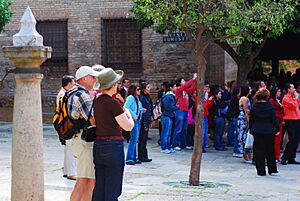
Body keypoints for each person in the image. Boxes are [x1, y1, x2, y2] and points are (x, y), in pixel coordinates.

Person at [92, 67, 134, 201]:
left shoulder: (97, 100)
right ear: (113, 85)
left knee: (100, 187)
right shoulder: (112, 103)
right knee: (113, 188)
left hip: (99, 145)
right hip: (112, 146)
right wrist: (128, 114)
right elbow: (128, 126)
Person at [68, 66, 100, 201]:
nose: (95, 79)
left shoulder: (74, 92)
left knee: (86, 179)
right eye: (93, 77)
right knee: (86, 180)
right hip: (84, 141)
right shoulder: (82, 95)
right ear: (84, 78)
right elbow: (93, 119)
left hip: (78, 139)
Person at [250, 88, 280, 176]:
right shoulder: (270, 106)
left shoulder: (254, 106)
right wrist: (277, 129)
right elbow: (274, 119)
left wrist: (251, 129)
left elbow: (251, 119)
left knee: (259, 150)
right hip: (268, 130)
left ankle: (261, 170)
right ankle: (272, 169)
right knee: (270, 150)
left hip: (257, 129)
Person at [56, 75, 77, 180]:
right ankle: (71, 172)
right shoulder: (63, 95)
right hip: (65, 124)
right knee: (70, 148)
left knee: (68, 148)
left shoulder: (63, 93)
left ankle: (66, 170)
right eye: (73, 82)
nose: (74, 84)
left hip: (64, 124)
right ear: (69, 84)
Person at [172, 73, 197, 151]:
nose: (185, 81)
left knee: (184, 129)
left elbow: (191, 90)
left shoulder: (185, 91)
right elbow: (185, 86)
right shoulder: (179, 90)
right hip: (180, 111)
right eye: (183, 81)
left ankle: (183, 144)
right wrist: (193, 79)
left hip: (185, 111)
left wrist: (196, 82)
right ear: (180, 82)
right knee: (178, 128)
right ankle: (175, 144)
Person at [281, 83, 300, 165]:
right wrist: (296, 97)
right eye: (292, 88)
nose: (294, 89)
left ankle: (291, 158)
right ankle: (284, 157)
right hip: (290, 120)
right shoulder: (286, 98)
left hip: (297, 119)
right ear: (288, 89)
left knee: (296, 140)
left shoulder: (293, 98)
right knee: (292, 140)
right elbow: (294, 105)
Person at [125, 85, 143, 165]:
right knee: (133, 139)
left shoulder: (137, 98)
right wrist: (134, 115)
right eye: (138, 89)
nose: (139, 91)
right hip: (134, 120)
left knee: (135, 139)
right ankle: (129, 158)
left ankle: (134, 157)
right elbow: (126, 107)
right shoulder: (131, 98)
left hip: (138, 120)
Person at [160, 81, 179, 153]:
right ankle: (164, 147)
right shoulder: (168, 96)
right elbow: (168, 107)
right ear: (171, 88)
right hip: (166, 116)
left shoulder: (170, 96)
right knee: (166, 132)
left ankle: (168, 146)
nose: (176, 88)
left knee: (168, 133)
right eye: (174, 86)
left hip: (169, 116)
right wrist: (177, 107)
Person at [138, 82, 153, 162]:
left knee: (144, 139)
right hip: (143, 121)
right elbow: (144, 112)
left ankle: (144, 155)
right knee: (142, 139)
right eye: (148, 87)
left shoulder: (147, 98)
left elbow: (150, 110)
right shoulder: (142, 98)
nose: (149, 88)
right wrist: (145, 123)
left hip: (147, 120)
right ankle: (141, 156)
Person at [237, 85, 252, 162]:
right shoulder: (244, 99)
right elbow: (246, 111)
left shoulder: (246, 98)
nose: (251, 90)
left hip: (242, 118)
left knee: (245, 137)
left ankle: (248, 155)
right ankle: (245, 155)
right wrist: (249, 121)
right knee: (244, 137)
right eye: (249, 89)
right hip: (243, 119)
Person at [269, 87, 283, 161]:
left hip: (280, 121)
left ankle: (277, 155)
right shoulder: (271, 101)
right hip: (276, 122)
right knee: (275, 140)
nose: (280, 93)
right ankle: (275, 156)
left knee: (278, 140)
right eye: (279, 91)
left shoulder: (278, 101)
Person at [227, 86, 241, 157]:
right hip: (236, 117)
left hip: (235, 117)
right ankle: (236, 149)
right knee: (237, 134)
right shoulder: (235, 100)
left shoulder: (236, 99)